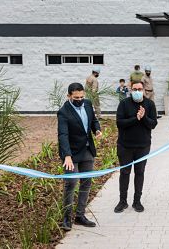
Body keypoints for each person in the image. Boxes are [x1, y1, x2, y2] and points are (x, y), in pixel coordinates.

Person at [57, 82, 102, 231]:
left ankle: (80, 216)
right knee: (71, 183)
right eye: (76, 97)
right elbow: (63, 135)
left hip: (87, 150)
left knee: (86, 182)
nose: (80, 99)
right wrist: (67, 156)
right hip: (71, 153)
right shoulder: (63, 112)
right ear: (69, 96)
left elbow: (93, 120)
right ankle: (66, 217)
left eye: (82, 96)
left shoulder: (88, 104)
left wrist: (97, 130)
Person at [114, 80, 158, 213]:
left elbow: (153, 124)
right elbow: (120, 123)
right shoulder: (124, 104)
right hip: (125, 146)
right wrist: (136, 118)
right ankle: (122, 201)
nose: (137, 91)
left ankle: (137, 201)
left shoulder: (149, 104)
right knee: (125, 173)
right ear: (130, 90)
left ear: (144, 90)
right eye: (134, 89)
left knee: (140, 173)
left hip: (142, 146)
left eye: (139, 89)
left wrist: (143, 117)